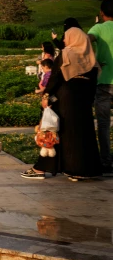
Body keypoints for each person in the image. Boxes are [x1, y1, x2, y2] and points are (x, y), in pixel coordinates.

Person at [23, 27, 102, 180]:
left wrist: (46, 95)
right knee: (82, 134)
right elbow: (93, 84)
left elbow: (55, 77)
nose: (64, 40)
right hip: (83, 102)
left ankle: (42, 167)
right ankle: (81, 170)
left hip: (65, 99)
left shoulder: (66, 55)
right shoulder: (90, 58)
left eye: (66, 37)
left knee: (54, 132)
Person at [88, 0, 113, 176]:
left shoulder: (99, 28)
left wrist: (94, 62)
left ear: (102, 13)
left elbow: (85, 40)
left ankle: (106, 161)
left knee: (104, 124)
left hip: (104, 80)